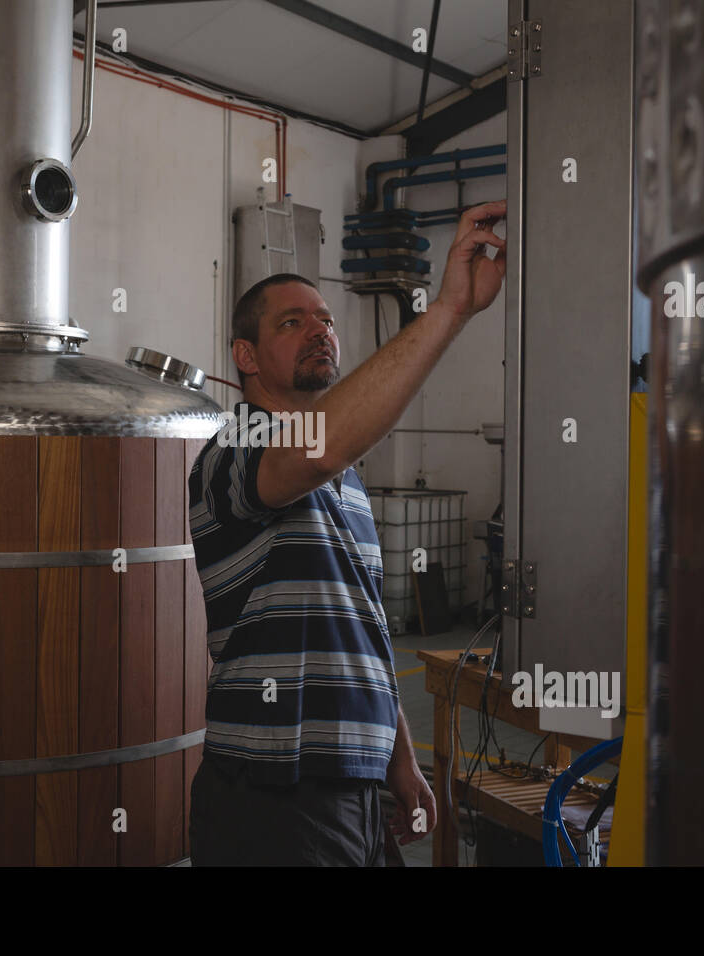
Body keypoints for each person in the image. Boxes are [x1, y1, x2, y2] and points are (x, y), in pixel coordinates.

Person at [187, 201, 507, 866]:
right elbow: (316, 449)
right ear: (244, 355)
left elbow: (361, 630)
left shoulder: (347, 480)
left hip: (354, 787)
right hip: (275, 788)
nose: (319, 331)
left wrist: (401, 763)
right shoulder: (234, 445)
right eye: (292, 322)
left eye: (327, 321)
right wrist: (448, 310)